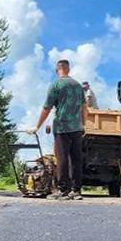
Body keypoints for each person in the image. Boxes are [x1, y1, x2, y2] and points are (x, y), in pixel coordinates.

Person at [32, 59, 87, 200]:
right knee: (76, 159)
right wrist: (83, 124)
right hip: (77, 127)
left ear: (57, 70)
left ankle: (63, 190)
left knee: (62, 158)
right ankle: (76, 190)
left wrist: (37, 126)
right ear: (68, 69)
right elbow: (84, 107)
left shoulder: (55, 84)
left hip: (62, 127)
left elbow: (47, 107)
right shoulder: (77, 85)